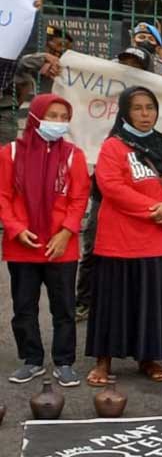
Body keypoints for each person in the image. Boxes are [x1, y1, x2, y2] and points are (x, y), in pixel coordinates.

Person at [86, 87, 162, 386]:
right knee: (114, 301)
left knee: (153, 301)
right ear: (125, 111)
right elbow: (111, 186)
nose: (145, 114)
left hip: (160, 238)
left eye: (150, 107)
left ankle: (149, 357)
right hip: (122, 238)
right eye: (138, 108)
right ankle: (103, 361)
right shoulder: (114, 146)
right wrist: (158, 209)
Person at [0, 95, 89, 387]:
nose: (59, 122)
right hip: (22, 245)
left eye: (64, 116)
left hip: (61, 247)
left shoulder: (74, 155)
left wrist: (66, 232)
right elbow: (3, 196)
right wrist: (15, 228)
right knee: (24, 306)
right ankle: (32, 360)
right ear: (36, 116)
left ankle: (64, 362)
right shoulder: (10, 153)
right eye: (53, 115)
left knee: (63, 308)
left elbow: (79, 198)